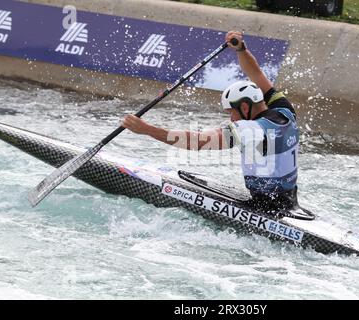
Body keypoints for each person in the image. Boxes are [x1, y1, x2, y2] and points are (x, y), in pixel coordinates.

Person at [122, 30, 300, 214]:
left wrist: (148, 129)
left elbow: (196, 141)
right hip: (289, 203)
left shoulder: (251, 130)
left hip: (265, 209)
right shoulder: (285, 111)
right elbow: (257, 75)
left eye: (232, 112)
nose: (231, 118)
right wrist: (241, 50)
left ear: (245, 107)